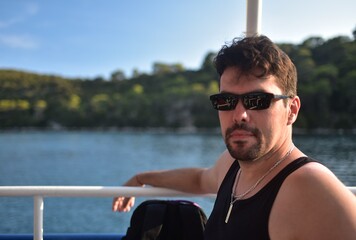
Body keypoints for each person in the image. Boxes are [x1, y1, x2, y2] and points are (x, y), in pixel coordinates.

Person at [112, 35, 356, 239]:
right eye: (225, 101)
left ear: (291, 110)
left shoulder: (310, 187)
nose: (239, 115)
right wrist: (142, 177)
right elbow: (199, 179)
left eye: (258, 101)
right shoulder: (232, 166)